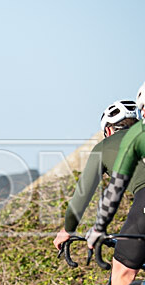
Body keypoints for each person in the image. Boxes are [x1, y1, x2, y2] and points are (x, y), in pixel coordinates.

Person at [87, 81, 145, 285]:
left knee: (123, 273)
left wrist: (71, 230)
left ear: (109, 130)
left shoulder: (109, 145)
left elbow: (86, 195)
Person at [54, 100, 139, 250]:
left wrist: (68, 229)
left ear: (109, 130)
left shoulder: (104, 147)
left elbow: (83, 193)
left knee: (123, 270)